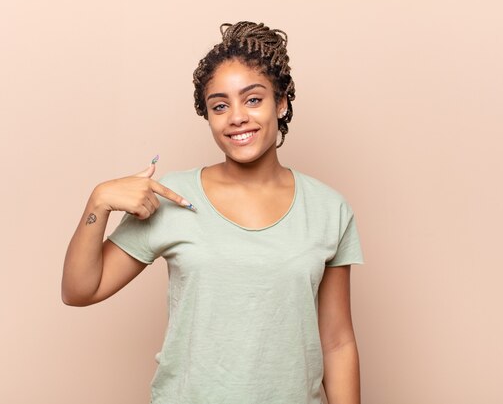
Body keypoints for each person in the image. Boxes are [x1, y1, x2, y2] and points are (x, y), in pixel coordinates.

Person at [62, 21, 365, 404]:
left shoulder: (328, 208)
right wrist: (98, 203)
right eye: (219, 106)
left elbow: (337, 342)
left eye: (253, 99)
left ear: (282, 102)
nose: (236, 117)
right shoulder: (174, 196)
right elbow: (79, 290)